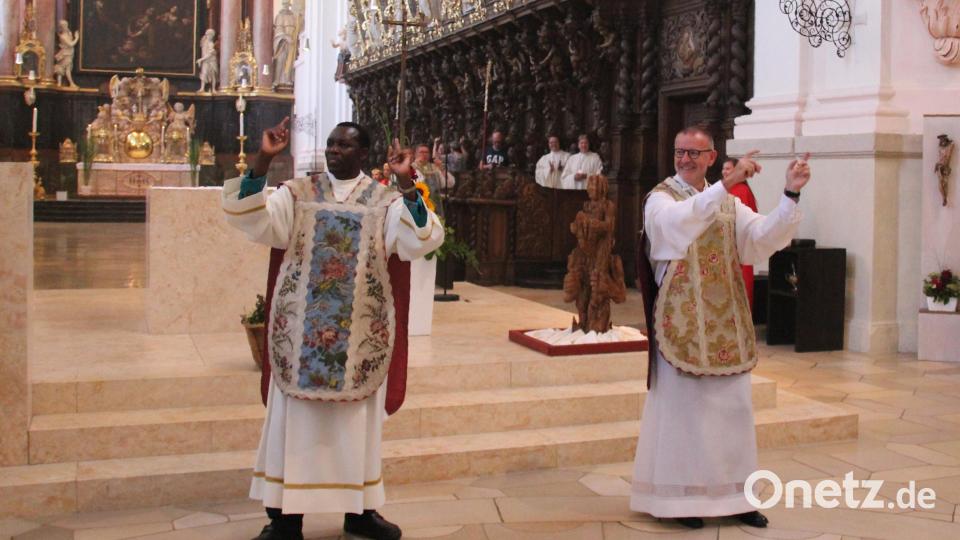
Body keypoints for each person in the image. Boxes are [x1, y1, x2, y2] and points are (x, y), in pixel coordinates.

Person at [222, 118, 444, 540]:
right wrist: (264, 158)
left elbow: (423, 238)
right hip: (299, 338)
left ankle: (359, 512)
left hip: (358, 339)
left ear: (364, 153)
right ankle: (284, 520)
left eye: (344, 146)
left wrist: (406, 182)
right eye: (330, 144)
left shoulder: (384, 201)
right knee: (292, 428)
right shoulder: (297, 194)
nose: (334, 151)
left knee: (355, 432)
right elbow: (254, 219)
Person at [633, 126, 810, 529]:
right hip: (681, 324)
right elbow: (678, 224)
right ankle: (680, 500)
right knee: (685, 415)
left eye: (694, 153)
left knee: (734, 412)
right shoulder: (661, 199)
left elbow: (762, 238)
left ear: (711, 157)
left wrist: (791, 193)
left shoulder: (730, 204)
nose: (684, 160)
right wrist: (725, 186)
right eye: (679, 152)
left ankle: (736, 496)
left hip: (724, 323)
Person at [722, 158, 759, 309]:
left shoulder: (741, 190)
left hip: (737, 248)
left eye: (728, 169)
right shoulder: (724, 190)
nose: (724, 172)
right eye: (723, 169)